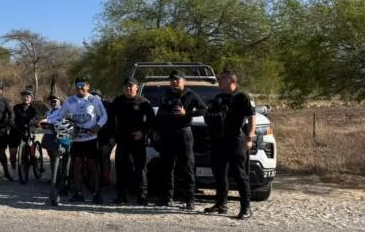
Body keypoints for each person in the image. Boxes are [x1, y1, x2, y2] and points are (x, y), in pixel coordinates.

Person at [204, 71, 256, 219]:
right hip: (218, 141)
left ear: (232, 82)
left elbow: (252, 118)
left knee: (240, 174)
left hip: (235, 140)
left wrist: (250, 137)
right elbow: (209, 116)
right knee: (219, 174)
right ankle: (221, 204)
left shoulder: (242, 97)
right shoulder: (218, 98)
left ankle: (246, 208)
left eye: (222, 79)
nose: (219, 81)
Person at [46, 77, 107, 204]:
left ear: (88, 86)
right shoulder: (69, 101)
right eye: (77, 85)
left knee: (92, 165)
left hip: (91, 138)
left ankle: (96, 193)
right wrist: (47, 121)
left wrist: (98, 126)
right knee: (77, 165)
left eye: (82, 85)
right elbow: (59, 115)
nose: (79, 87)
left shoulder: (94, 100)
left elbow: (104, 116)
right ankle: (78, 193)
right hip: (76, 139)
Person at [153, 70, 207, 210]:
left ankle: (190, 200)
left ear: (184, 81)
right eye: (172, 80)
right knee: (167, 167)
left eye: (177, 80)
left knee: (187, 166)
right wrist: (157, 132)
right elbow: (159, 115)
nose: (174, 82)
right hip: (167, 135)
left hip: (184, 134)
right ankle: (167, 198)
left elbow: (203, 109)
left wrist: (187, 113)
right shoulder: (166, 95)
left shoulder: (190, 95)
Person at [109, 77, 155, 205]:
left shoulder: (143, 102)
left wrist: (142, 132)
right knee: (121, 168)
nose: (128, 88)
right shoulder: (117, 101)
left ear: (137, 87)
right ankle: (121, 196)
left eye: (131, 86)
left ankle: (142, 197)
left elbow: (152, 120)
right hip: (122, 139)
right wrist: (113, 134)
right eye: (126, 87)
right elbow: (111, 119)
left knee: (140, 168)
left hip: (138, 139)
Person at [8, 88, 38, 173]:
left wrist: (33, 122)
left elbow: (35, 119)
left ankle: (27, 163)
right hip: (15, 130)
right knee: (12, 153)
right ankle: (13, 169)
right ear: (22, 98)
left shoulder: (33, 110)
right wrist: (12, 123)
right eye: (24, 96)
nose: (26, 98)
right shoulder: (16, 107)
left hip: (27, 131)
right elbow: (12, 117)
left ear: (31, 99)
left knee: (28, 148)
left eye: (28, 97)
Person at [91, 89, 115, 187]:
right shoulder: (88, 107)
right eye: (93, 96)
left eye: (97, 96)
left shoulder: (108, 106)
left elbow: (113, 121)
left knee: (104, 156)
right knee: (94, 157)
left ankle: (105, 179)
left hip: (108, 136)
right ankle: (95, 178)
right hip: (94, 136)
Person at [39, 94, 63, 174]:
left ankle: (58, 174)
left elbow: (60, 120)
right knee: (51, 156)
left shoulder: (62, 111)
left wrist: (48, 122)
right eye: (51, 101)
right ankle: (54, 175)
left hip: (58, 135)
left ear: (59, 101)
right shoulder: (48, 112)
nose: (53, 103)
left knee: (57, 155)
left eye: (54, 101)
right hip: (48, 135)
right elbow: (44, 120)